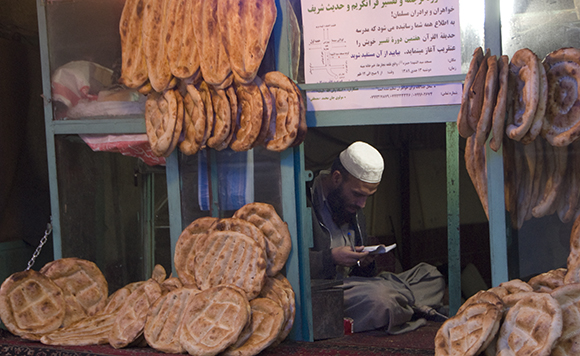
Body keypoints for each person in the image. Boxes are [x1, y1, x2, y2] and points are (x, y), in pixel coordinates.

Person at [309, 141, 447, 334]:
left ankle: (401, 307)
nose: (363, 204)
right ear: (337, 178)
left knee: (431, 275)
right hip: (326, 292)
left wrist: (364, 263)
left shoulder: (351, 205)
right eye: (358, 195)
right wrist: (331, 257)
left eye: (368, 197)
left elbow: (362, 276)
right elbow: (290, 268)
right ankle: (405, 306)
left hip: (358, 287)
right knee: (380, 300)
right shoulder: (303, 200)